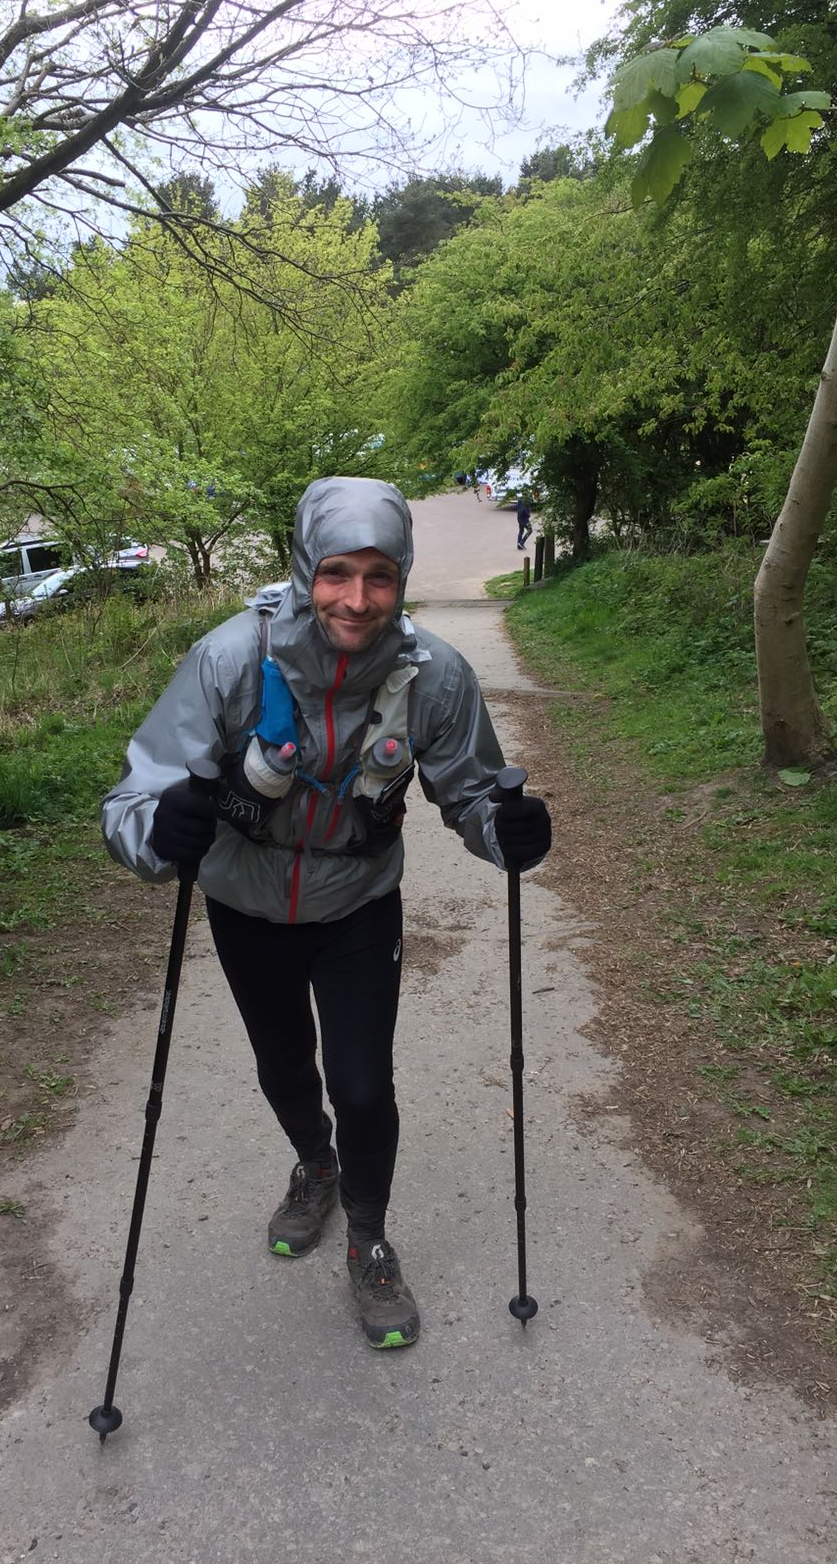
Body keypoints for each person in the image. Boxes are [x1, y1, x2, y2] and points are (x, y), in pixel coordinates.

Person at [101, 477, 552, 1350]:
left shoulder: (435, 678)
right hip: (245, 902)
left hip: (358, 904)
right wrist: (163, 828)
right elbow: (135, 798)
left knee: (362, 1083)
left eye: (379, 576)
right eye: (337, 572)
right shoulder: (231, 660)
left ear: (402, 576)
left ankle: (368, 1235)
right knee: (283, 1068)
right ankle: (314, 1161)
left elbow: (469, 796)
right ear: (306, 567)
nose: (356, 598)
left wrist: (510, 832)